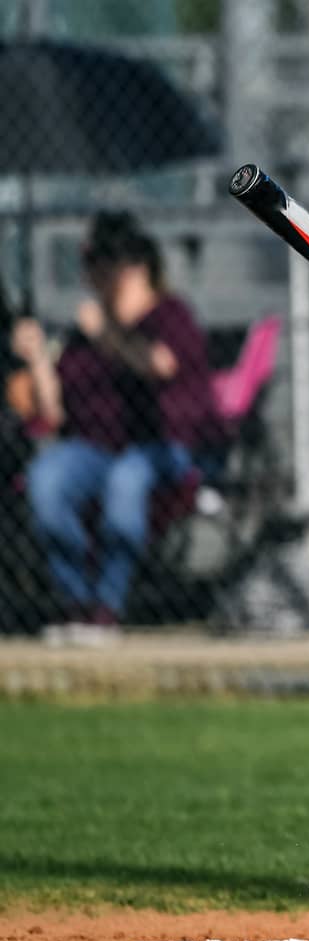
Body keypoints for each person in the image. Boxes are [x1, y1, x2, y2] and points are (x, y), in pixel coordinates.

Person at [14, 211, 213, 643]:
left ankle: (107, 608)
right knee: (46, 479)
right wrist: (37, 359)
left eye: (107, 268)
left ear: (137, 269)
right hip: (94, 449)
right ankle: (77, 603)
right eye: (92, 268)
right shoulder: (84, 330)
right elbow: (54, 414)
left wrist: (109, 333)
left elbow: (159, 366)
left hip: (160, 448)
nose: (96, 279)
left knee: (127, 480)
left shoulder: (169, 315)